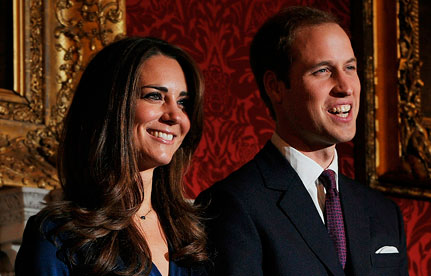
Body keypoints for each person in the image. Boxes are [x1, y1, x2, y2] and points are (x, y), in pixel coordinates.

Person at [196, 6, 408, 276]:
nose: (346, 86)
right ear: (275, 86)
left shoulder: (383, 212)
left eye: (350, 67)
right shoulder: (231, 205)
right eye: (322, 70)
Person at [15, 37, 207, 276]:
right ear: (111, 105)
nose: (175, 116)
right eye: (155, 96)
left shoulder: (195, 233)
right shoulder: (58, 235)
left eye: (182, 103)